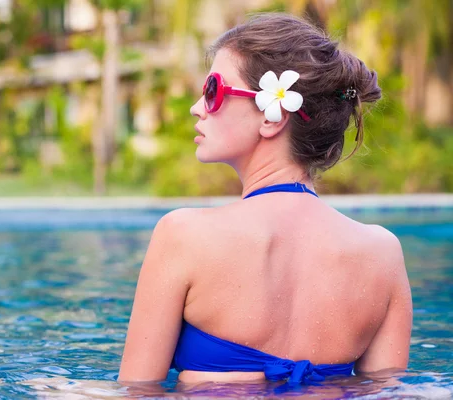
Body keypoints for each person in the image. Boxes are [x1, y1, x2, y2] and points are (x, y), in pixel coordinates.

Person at [118, 13, 412, 385]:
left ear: (272, 118)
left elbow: (135, 392)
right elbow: (384, 392)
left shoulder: (184, 235)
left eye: (212, 90)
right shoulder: (383, 253)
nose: (197, 107)